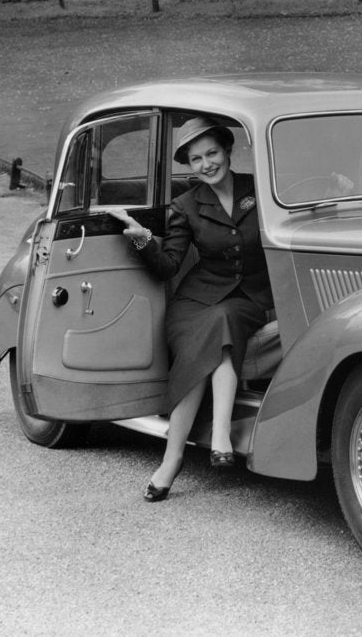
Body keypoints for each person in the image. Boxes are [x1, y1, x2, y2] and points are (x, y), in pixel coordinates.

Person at [110, 116, 273, 502]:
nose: (206, 164)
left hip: (249, 299)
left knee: (224, 321)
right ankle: (200, 445)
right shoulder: (186, 205)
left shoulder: (262, 190)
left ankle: (179, 454)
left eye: (212, 153)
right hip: (195, 302)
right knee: (213, 329)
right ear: (190, 165)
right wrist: (141, 237)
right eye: (196, 159)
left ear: (228, 151)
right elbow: (168, 264)